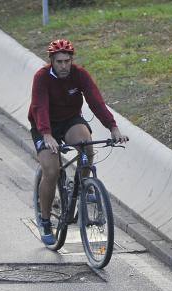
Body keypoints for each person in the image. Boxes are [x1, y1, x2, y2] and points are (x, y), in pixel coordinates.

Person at [28, 39, 128, 245]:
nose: (64, 66)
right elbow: (40, 107)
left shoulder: (79, 75)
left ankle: (83, 185)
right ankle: (45, 221)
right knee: (51, 171)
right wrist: (46, 134)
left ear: (72, 60)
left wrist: (113, 127)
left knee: (87, 147)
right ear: (51, 61)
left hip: (70, 120)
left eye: (67, 61)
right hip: (44, 125)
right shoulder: (42, 77)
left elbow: (96, 101)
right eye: (59, 62)